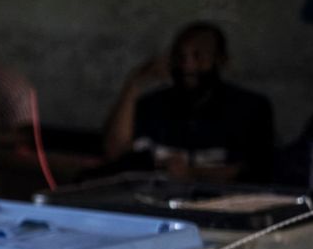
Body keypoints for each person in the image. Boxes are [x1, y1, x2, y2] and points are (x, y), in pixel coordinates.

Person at [103, 21, 276, 180]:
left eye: (198, 56)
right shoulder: (151, 105)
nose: (188, 66)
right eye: (181, 57)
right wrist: (134, 83)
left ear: (220, 59)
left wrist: (194, 173)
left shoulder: (249, 108)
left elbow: (258, 169)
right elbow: (115, 152)